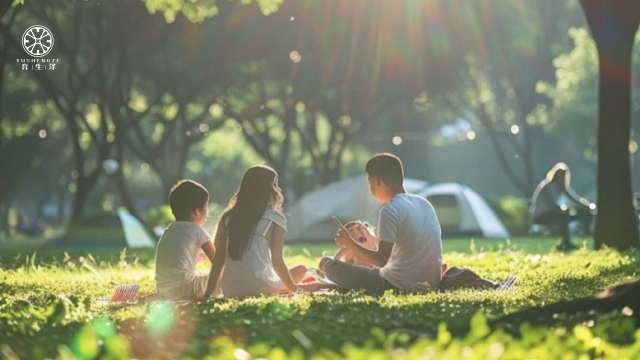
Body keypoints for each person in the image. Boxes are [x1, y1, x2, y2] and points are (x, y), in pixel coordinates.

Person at [319, 153, 443, 295]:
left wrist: (350, 243)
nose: (370, 190)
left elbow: (381, 260)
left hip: (395, 285)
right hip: (431, 285)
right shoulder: (424, 203)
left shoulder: (390, 209)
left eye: (371, 184)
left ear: (378, 182)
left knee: (329, 265)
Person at [203, 165, 308, 299]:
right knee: (301, 270)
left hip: (231, 289)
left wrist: (208, 294)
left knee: (295, 273)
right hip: (260, 287)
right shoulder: (275, 218)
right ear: (267, 189)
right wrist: (296, 292)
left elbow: (218, 261)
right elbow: (277, 261)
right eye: (276, 184)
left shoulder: (227, 217)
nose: (279, 189)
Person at [155, 180, 216, 301]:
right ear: (197, 211)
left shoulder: (168, 231)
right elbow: (217, 259)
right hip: (187, 288)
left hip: (164, 289)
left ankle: (156, 297)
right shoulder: (197, 229)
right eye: (206, 207)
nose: (207, 212)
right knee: (221, 276)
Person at [530, 162, 596, 251]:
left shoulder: (560, 187)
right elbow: (552, 204)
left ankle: (568, 242)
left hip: (550, 213)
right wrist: (565, 209)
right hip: (541, 215)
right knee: (563, 217)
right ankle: (566, 244)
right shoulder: (549, 186)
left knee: (565, 216)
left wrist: (587, 205)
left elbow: (574, 198)